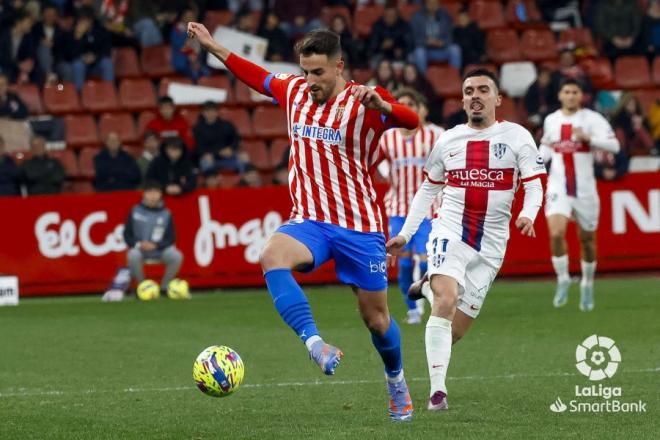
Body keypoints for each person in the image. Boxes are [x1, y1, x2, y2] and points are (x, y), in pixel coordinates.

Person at [188, 22, 420, 421]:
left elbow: (411, 121)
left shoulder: (365, 100)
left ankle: (396, 381)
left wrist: (385, 108)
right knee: (271, 255)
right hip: (309, 220)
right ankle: (315, 345)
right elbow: (254, 73)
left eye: (318, 72)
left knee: (377, 320)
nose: (309, 80)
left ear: (338, 66)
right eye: (304, 71)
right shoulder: (293, 91)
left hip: (359, 226)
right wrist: (212, 46)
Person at [386, 68, 546, 411]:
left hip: (491, 244)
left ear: (497, 99)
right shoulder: (448, 140)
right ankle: (437, 393)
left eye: (483, 90)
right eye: (469, 90)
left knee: (455, 330)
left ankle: (428, 287)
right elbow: (427, 189)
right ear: (461, 100)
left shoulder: (518, 137)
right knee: (446, 301)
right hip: (450, 229)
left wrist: (529, 214)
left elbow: (534, 185)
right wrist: (406, 233)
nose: (475, 95)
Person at [539, 78, 620, 311]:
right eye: (567, 91)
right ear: (560, 95)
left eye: (575, 91)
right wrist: (532, 165)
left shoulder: (592, 119)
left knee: (587, 241)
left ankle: (587, 283)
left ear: (581, 96)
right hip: (558, 187)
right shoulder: (552, 120)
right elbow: (546, 147)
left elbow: (614, 146)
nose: (571, 95)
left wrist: (589, 139)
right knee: (556, 233)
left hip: (584, 189)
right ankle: (563, 279)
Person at [377, 88, 442, 325]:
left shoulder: (435, 134)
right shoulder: (387, 137)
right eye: (401, 104)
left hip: (429, 208)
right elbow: (375, 161)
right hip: (398, 208)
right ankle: (413, 309)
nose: (406, 107)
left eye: (410, 104)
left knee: (427, 261)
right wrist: (385, 171)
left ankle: (433, 299)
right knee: (403, 263)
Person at [123, 180, 183, 297]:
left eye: (156, 192)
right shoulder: (135, 210)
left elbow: (171, 237)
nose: (153, 196)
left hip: (159, 250)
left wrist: (156, 245)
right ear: (143, 194)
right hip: (140, 249)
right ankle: (142, 287)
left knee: (176, 256)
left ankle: (164, 288)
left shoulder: (166, 213)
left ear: (161, 194)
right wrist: (139, 244)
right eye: (149, 192)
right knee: (133, 255)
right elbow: (127, 235)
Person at [193, 100, 243, 183]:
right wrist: (213, 153)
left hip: (227, 158)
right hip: (209, 158)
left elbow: (236, 139)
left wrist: (231, 148)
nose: (210, 114)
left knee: (243, 161)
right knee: (206, 162)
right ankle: (211, 190)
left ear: (217, 112)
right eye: (207, 111)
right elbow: (198, 148)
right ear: (203, 113)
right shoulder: (198, 129)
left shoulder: (226, 125)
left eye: (213, 111)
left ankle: (244, 188)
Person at [411, 0, 462, 73]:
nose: (432, 6)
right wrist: (426, 42)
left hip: (441, 49)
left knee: (455, 49)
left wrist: (442, 42)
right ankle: (423, 80)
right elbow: (414, 38)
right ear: (426, 4)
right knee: (419, 53)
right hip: (425, 50)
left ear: (438, 4)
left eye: (435, 3)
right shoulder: (417, 17)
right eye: (430, 3)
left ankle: (454, 76)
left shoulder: (445, 17)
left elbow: (450, 36)